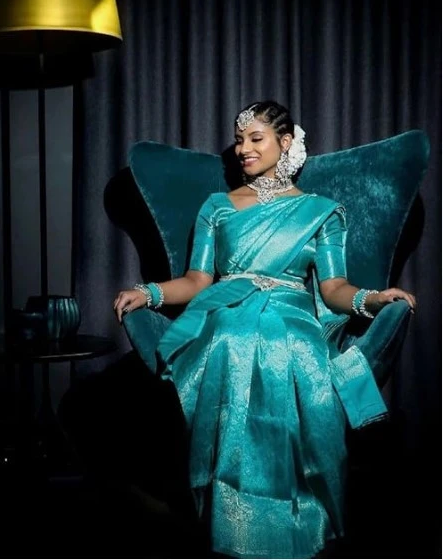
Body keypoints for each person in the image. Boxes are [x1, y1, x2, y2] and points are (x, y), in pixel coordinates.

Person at [113, 100, 416, 559]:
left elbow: (333, 288)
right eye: (239, 140)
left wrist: (372, 298)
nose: (243, 149)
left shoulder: (321, 211)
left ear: (285, 142)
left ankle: (294, 518)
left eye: (256, 139)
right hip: (226, 307)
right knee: (232, 338)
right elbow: (196, 281)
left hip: (292, 314)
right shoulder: (217, 207)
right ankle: (232, 522)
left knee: (289, 347)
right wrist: (149, 291)